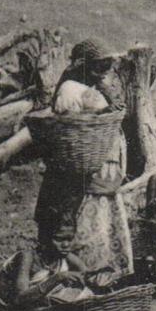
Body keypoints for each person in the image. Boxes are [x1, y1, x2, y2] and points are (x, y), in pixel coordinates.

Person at [34, 38, 133, 275]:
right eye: (98, 67)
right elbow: (112, 107)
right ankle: (80, 275)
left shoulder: (78, 88)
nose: (103, 73)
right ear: (85, 67)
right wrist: (105, 89)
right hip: (80, 169)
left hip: (89, 164)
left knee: (95, 222)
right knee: (80, 225)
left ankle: (94, 274)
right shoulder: (75, 89)